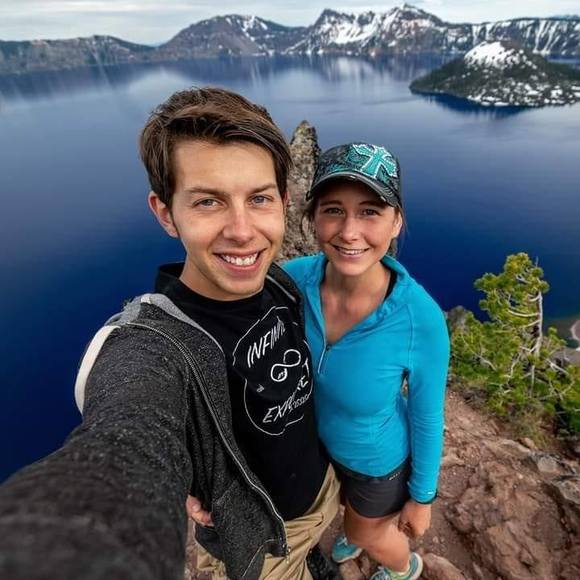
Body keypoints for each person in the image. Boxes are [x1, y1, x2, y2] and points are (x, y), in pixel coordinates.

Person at [0, 87, 340, 580]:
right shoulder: (155, 347)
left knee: (315, 555)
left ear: (284, 204)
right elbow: (130, 436)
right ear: (165, 213)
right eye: (208, 202)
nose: (242, 230)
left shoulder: (280, 285)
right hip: (260, 542)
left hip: (320, 491)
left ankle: (315, 557)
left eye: (259, 199)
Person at [283, 143, 450, 580]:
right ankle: (357, 531)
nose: (349, 232)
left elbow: (427, 415)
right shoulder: (293, 280)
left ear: (396, 222)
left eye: (370, 212)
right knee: (341, 509)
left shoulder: (419, 318)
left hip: (377, 465)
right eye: (333, 210)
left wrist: (422, 498)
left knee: (370, 533)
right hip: (317, 450)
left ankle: (403, 567)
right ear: (313, 217)